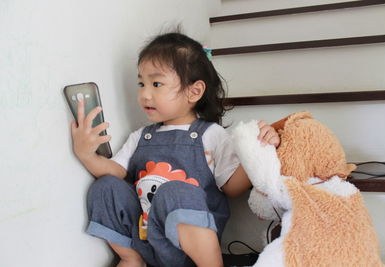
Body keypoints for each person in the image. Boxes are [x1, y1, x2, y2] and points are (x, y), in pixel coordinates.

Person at [71, 32, 280, 267]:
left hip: (188, 250)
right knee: (105, 186)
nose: (144, 94)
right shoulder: (141, 136)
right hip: (145, 237)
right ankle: (131, 258)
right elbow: (115, 171)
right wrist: (86, 154)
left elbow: (233, 187)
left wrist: (258, 150)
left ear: (194, 91)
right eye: (141, 83)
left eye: (156, 84)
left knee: (175, 192)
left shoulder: (211, 135)